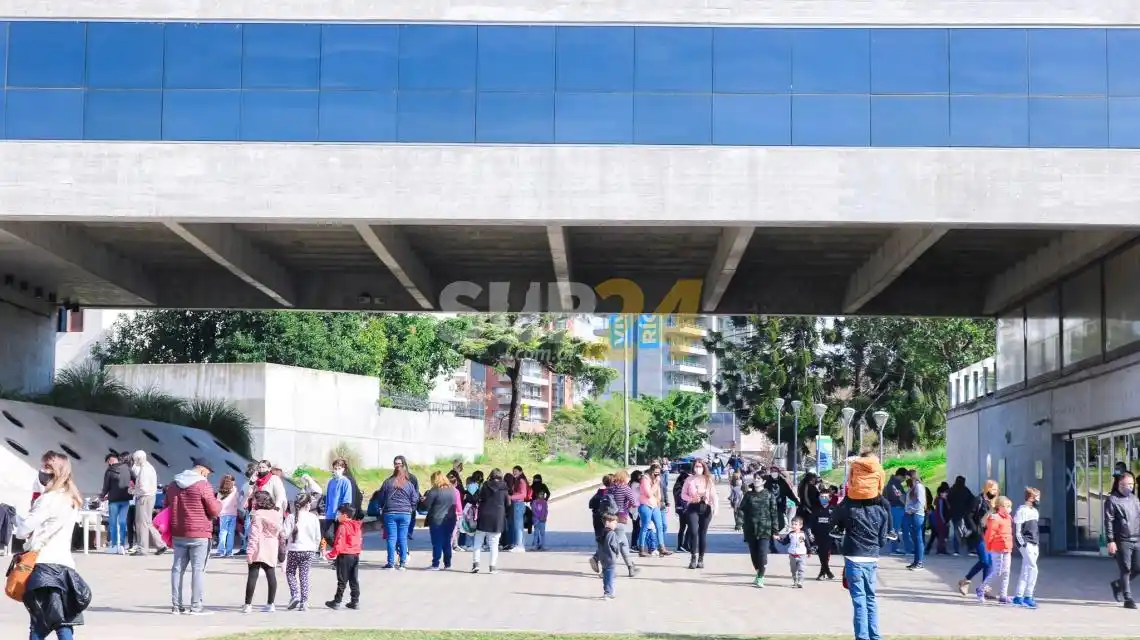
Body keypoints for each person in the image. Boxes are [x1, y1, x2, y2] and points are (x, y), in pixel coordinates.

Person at [17, 451, 91, 640]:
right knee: (63, 622)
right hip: (66, 567)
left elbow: (23, 530)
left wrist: (19, 520)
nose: (41, 471)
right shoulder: (72, 499)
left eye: (46, 467)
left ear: (54, 472)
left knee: (39, 623)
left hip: (44, 565)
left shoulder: (47, 499)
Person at [166, 457, 222, 615]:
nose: (207, 476)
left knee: (177, 569)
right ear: (203, 470)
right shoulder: (203, 485)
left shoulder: (173, 484)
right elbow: (214, 510)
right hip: (199, 533)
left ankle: (176, 606)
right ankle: (196, 606)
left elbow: (166, 506)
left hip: (178, 532)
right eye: (208, 474)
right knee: (198, 570)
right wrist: (220, 502)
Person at [833, 493, 889, 640]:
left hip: (853, 556)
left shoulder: (849, 509)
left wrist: (847, 498)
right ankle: (875, 636)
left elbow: (835, 516)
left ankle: (862, 637)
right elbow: (882, 541)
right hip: (871, 558)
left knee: (859, 601)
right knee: (870, 598)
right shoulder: (881, 511)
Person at [374, 455, 421, 570]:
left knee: (391, 538)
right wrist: (409, 505)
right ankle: (402, 563)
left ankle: (390, 563)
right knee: (403, 538)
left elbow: (381, 497)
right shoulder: (409, 484)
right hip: (405, 513)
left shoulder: (388, 482)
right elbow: (415, 499)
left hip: (390, 513)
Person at [242, 490, 283, 614]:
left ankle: (248, 604)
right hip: (271, 546)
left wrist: (249, 552)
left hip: (258, 547)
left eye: (254, 499)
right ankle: (271, 604)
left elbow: (254, 534)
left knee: (253, 575)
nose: (252, 502)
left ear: (259, 501)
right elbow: (280, 532)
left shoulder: (257, 514)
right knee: (271, 574)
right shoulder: (277, 513)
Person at [958, 479, 999, 598]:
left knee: (989, 562)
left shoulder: (994, 502)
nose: (994, 492)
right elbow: (968, 515)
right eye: (992, 489)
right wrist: (975, 529)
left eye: (996, 489)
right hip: (978, 534)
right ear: (987, 488)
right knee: (985, 561)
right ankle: (965, 581)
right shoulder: (978, 499)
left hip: (990, 534)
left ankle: (984, 588)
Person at [1107, 471, 1140, 609]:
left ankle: (1118, 585)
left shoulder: (1134, 499)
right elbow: (1108, 520)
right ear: (1121, 484)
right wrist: (1111, 540)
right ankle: (1128, 598)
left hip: (1137, 537)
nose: (1131, 487)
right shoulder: (1112, 500)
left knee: (1137, 568)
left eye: (1132, 484)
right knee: (1125, 568)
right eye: (1128, 484)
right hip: (1122, 539)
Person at [283, 493, 321, 611]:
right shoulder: (313, 517)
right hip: (309, 550)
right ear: (308, 504)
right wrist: (315, 548)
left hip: (294, 549)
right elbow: (317, 536)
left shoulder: (291, 517)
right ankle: (304, 602)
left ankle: (295, 595)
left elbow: (284, 533)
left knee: (290, 573)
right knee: (304, 576)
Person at [738, 477, 779, 588]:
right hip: (750, 528)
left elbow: (774, 513)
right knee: (754, 554)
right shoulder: (748, 495)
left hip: (765, 528)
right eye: (755, 478)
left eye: (759, 478)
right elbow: (741, 509)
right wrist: (739, 523)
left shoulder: (769, 495)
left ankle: (760, 576)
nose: (756, 480)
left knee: (762, 553)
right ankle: (759, 571)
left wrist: (775, 530)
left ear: (764, 481)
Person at [128, 450, 168, 556]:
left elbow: (143, 488)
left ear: (139, 459)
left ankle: (142, 548)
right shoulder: (149, 468)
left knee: (141, 523)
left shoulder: (144, 470)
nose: (134, 461)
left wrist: (132, 491)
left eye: (135, 459)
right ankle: (161, 544)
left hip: (144, 498)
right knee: (147, 523)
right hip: (150, 497)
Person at [681, 458, 718, 570]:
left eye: (700, 466)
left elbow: (713, 495)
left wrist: (716, 507)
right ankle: (693, 557)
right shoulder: (689, 479)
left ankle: (701, 559)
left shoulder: (708, 480)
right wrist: (690, 498)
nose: (698, 468)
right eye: (696, 466)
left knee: (703, 534)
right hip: (693, 507)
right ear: (693, 467)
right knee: (693, 531)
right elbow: (683, 494)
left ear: (704, 468)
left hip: (705, 508)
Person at [471, 468, 510, 574]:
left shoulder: (485, 485)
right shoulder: (504, 488)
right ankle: (492, 567)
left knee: (478, 541)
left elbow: (477, 498)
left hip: (484, 516)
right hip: (497, 518)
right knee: (494, 544)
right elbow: (508, 504)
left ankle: (476, 564)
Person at [325, 504, 362, 610]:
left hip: (345, 555)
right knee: (353, 579)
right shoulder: (357, 526)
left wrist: (331, 554)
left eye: (339, 514)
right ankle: (355, 601)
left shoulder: (343, 527)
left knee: (342, 579)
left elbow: (339, 543)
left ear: (345, 515)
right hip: (355, 555)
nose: (337, 516)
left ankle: (337, 601)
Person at [979, 496, 1014, 604]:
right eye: (1007, 506)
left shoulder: (1008, 518)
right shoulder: (994, 518)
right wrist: (988, 546)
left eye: (1010, 506)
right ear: (1000, 507)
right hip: (997, 549)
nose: (1009, 509)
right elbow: (989, 534)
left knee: (1006, 572)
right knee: (997, 572)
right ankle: (981, 589)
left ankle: (1003, 595)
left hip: (1007, 548)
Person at [422, 471, 458, 570]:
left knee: (437, 542)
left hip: (437, 519)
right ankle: (447, 563)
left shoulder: (434, 491)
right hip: (450, 519)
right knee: (447, 541)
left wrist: (424, 500)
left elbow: (426, 506)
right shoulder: (452, 490)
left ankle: (435, 564)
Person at [1013, 487, 1042, 609]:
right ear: (1031, 498)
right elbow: (1018, 531)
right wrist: (1023, 544)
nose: (1038, 500)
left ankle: (1018, 596)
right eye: (1037, 498)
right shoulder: (1021, 511)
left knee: (1026, 570)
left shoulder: (1035, 511)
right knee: (1033, 568)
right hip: (1026, 543)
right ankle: (1028, 596)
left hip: (1034, 543)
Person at [637, 463, 672, 557]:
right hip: (646, 505)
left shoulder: (656, 479)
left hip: (655, 505)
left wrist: (659, 502)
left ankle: (662, 547)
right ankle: (641, 549)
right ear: (651, 471)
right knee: (645, 527)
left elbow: (658, 492)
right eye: (655, 473)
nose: (657, 475)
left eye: (658, 473)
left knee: (659, 526)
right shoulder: (645, 479)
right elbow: (648, 493)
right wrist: (656, 483)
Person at [101, 453, 132, 555]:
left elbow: (106, 486)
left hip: (114, 500)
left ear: (110, 460)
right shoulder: (127, 468)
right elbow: (136, 479)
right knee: (122, 522)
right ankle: (122, 545)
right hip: (125, 499)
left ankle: (114, 545)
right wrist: (133, 489)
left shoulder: (109, 471)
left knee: (113, 523)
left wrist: (102, 496)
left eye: (108, 462)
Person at [323, 459, 354, 545]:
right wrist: (326, 510)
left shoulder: (346, 482)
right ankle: (337, 550)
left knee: (339, 535)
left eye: (339, 468)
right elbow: (328, 497)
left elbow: (347, 500)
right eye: (335, 468)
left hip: (339, 514)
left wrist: (340, 512)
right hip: (330, 513)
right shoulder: (331, 482)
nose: (337, 471)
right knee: (327, 535)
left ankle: (339, 553)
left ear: (343, 469)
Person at [779, 516, 810, 588]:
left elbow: (807, 543)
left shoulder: (803, 534)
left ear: (800, 526)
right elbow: (784, 542)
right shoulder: (790, 534)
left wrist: (809, 551)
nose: (793, 526)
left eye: (796, 524)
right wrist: (778, 538)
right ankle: (795, 580)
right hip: (792, 554)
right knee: (793, 570)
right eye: (792, 524)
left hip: (802, 554)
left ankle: (800, 581)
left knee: (801, 569)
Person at [812, 487, 836, 580]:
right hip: (818, 535)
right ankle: (827, 571)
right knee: (821, 554)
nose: (823, 499)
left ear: (830, 498)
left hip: (829, 536)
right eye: (821, 497)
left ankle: (823, 573)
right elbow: (813, 522)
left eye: (825, 497)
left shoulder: (833, 509)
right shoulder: (816, 509)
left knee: (825, 554)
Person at [947, 476, 975, 557]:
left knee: (957, 531)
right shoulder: (965, 490)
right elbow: (972, 499)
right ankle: (970, 549)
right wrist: (970, 510)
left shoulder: (952, 490)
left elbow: (948, 500)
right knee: (968, 531)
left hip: (954, 515)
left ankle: (956, 550)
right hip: (965, 514)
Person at [597, 513, 622, 600]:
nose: (615, 525)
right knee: (610, 576)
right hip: (610, 558)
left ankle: (606, 591)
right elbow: (614, 546)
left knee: (605, 575)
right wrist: (617, 553)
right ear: (607, 522)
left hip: (603, 558)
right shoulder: (612, 534)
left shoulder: (602, 532)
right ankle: (608, 592)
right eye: (614, 523)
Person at [904, 471, 926, 570]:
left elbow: (920, 502)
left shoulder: (919, 487)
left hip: (917, 515)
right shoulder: (912, 488)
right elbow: (908, 502)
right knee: (915, 539)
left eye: (907, 477)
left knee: (918, 539)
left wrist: (911, 510)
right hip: (912, 514)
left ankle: (919, 563)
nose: (906, 479)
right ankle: (915, 561)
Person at [884, 468, 907, 555]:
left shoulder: (892, 483)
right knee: (895, 529)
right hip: (896, 508)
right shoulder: (895, 484)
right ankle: (894, 549)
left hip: (893, 508)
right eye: (904, 478)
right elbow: (899, 496)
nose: (904, 480)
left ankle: (894, 548)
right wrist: (905, 503)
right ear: (901, 476)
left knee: (894, 528)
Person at [215, 474, 239, 557]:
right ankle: (229, 552)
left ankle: (220, 551)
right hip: (233, 514)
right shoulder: (235, 489)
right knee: (231, 533)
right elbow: (237, 501)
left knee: (222, 532)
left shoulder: (220, 490)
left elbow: (217, 503)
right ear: (233, 481)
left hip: (223, 514)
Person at [507, 466, 529, 552]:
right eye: (513, 471)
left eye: (516, 471)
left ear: (520, 472)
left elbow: (523, 495)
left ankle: (519, 545)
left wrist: (511, 497)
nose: (514, 473)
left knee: (518, 526)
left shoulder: (521, 481)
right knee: (518, 526)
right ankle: (519, 544)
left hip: (519, 504)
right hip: (517, 504)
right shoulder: (517, 481)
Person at [926, 482, 951, 556]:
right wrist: (943, 521)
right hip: (940, 521)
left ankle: (930, 549)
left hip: (939, 520)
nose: (946, 494)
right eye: (945, 493)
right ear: (941, 493)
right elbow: (940, 512)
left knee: (936, 535)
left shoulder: (942, 499)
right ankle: (940, 550)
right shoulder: (940, 500)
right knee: (941, 535)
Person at [673, 468, 690, 553]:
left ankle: (681, 545)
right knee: (689, 527)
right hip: (683, 509)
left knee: (683, 528)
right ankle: (684, 545)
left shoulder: (677, 486)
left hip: (680, 509)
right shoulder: (679, 488)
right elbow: (682, 499)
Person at [531, 480, 550, 551]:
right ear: (537, 495)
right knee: (536, 533)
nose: (542, 495)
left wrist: (544, 517)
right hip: (536, 520)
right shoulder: (534, 502)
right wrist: (537, 517)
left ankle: (543, 545)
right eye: (540, 494)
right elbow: (533, 510)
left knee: (543, 533)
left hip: (543, 520)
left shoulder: (544, 502)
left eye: (543, 494)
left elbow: (546, 510)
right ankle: (535, 545)